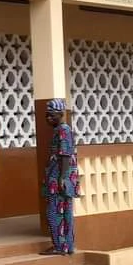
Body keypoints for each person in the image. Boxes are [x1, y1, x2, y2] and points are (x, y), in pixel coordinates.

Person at [42, 98, 80, 255]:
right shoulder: (63, 129)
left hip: (59, 179)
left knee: (54, 213)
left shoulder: (63, 130)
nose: (48, 118)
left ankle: (59, 246)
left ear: (60, 114)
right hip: (63, 178)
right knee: (65, 213)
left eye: (51, 115)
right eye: (47, 115)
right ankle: (67, 246)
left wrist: (61, 178)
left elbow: (64, 155)